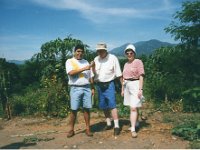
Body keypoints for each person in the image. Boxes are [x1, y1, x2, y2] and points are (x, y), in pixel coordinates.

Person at [92, 43, 122, 136]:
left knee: (112, 105)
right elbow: (93, 74)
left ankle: (116, 126)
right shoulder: (95, 59)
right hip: (99, 85)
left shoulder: (113, 58)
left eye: (102, 50)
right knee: (103, 105)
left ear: (106, 50)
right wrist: (92, 87)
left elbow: (118, 73)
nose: (100, 52)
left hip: (109, 84)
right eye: (98, 50)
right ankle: (108, 123)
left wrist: (123, 87)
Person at [65, 44, 95, 138]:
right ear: (74, 52)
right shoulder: (70, 61)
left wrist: (92, 87)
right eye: (78, 51)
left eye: (81, 51)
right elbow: (71, 73)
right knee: (74, 110)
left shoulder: (86, 61)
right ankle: (71, 130)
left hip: (86, 87)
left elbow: (90, 76)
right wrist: (85, 68)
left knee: (86, 109)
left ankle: (87, 129)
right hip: (75, 88)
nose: (80, 53)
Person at [121, 44, 145, 138]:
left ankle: (133, 129)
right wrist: (122, 89)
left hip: (135, 84)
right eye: (127, 53)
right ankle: (136, 122)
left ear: (134, 53)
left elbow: (141, 76)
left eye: (131, 53)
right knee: (133, 106)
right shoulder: (126, 64)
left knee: (133, 108)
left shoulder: (138, 62)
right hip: (127, 85)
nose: (129, 54)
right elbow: (123, 78)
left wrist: (140, 89)